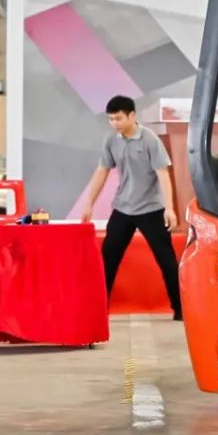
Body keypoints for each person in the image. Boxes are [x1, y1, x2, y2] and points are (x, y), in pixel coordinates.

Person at [81, 95, 182, 320]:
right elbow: (102, 171)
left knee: (166, 260)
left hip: (151, 209)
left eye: (118, 118)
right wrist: (89, 204)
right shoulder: (111, 140)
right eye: (111, 119)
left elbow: (163, 173)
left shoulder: (149, 140)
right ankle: (98, 310)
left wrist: (169, 208)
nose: (114, 123)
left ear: (132, 116)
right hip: (123, 208)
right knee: (107, 259)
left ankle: (180, 309)